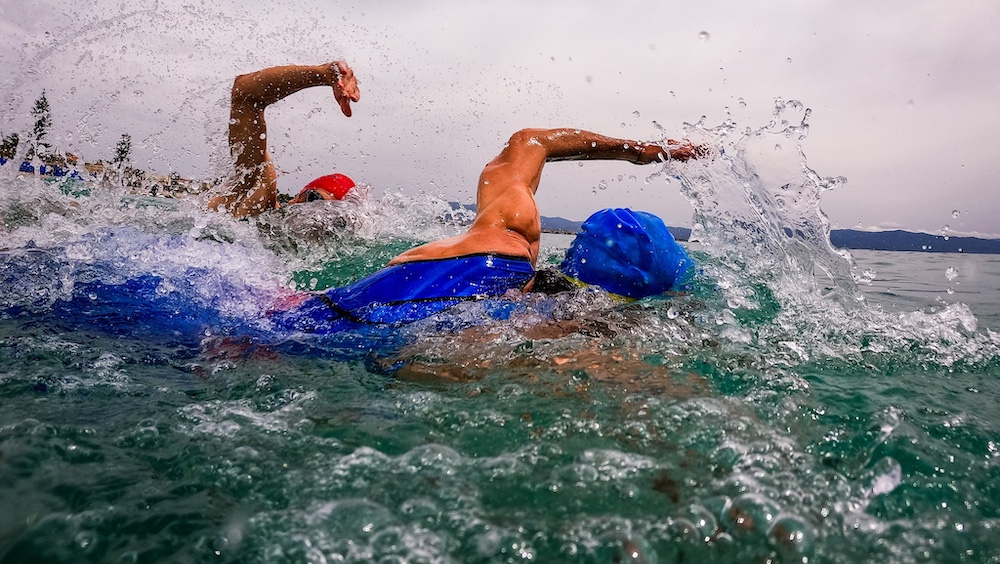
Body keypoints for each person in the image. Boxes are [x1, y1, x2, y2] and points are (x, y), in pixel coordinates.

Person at [208, 61, 705, 336]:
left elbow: (533, 141)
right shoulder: (538, 326)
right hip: (277, 330)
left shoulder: (509, 234)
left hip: (248, 313)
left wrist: (641, 150)